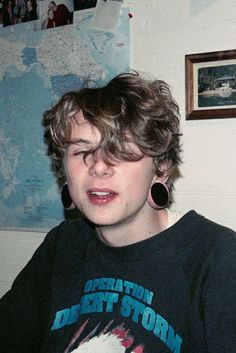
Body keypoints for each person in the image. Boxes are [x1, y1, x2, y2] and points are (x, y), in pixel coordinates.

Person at [0, 71, 235, 353]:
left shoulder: (217, 257)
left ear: (160, 166)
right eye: (81, 151)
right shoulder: (61, 245)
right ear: (63, 169)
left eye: (120, 149)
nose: (98, 166)